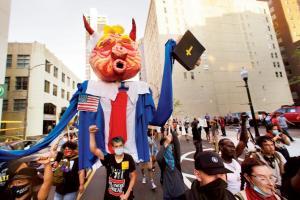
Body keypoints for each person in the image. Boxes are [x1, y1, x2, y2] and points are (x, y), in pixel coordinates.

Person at [89, 125, 137, 200]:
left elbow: (133, 176)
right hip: (110, 196)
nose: (119, 148)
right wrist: (91, 133)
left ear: (123, 146)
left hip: (124, 196)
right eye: (116, 146)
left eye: (120, 146)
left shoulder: (128, 158)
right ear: (113, 147)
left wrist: (127, 194)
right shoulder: (108, 158)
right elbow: (94, 150)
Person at [157, 125, 186, 200]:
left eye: (171, 145)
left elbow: (177, 144)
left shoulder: (176, 161)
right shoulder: (163, 162)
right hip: (168, 194)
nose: (169, 147)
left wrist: (172, 129)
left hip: (180, 192)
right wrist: (166, 143)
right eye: (167, 145)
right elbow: (158, 158)